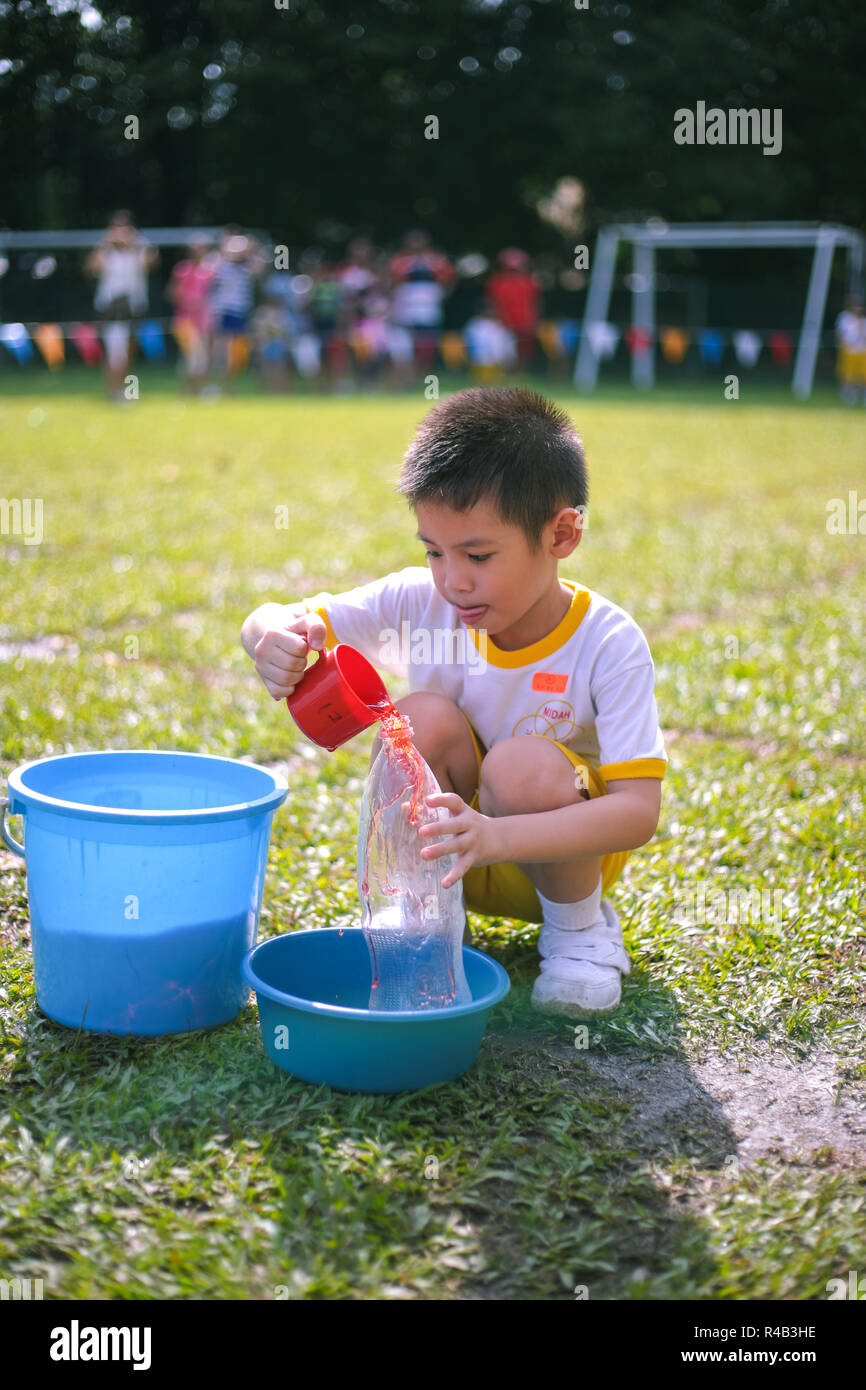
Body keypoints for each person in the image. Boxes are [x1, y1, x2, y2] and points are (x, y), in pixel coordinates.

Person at [241, 388, 666, 1018]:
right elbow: (283, 614)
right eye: (433, 551)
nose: (452, 579)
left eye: (478, 555)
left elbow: (637, 813)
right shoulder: (424, 602)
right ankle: (421, 922)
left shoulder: (607, 640)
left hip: (558, 857)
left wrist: (497, 836)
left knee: (521, 763)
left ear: (561, 533)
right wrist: (269, 638)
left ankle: (580, 934)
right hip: (448, 857)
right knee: (422, 718)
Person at [85, 211, 158, 400]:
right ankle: (113, 392)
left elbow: (150, 263)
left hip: (134, 307)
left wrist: (134, 244)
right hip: (111, 308)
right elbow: (92, 268)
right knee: (115, 353)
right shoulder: (105, 250)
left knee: (129, 353)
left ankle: (126, 392)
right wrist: (105, 243)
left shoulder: (140, 247)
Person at [388, 229, 454, 377]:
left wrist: (439, 296)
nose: (416, 243)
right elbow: (392, 283)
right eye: (413, 240)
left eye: (419, 240)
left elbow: (448, 281)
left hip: (428, 308)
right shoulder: (400, 260)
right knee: (405, 343)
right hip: (406, 307)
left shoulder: (436, 260)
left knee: (427, 343)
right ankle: (406, 375)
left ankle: (424, 375)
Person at [206, 228, 265, 391]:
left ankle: (227, 386)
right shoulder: (218, 261)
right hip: (223, 310)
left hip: (240, 311)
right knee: (220, 350)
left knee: (237, 351)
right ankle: (213, 384)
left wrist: (252, 250)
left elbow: (260, 269)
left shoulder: (248, 265)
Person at [167, 234, 215, 393]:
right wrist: (187, 302)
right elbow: (172, 293)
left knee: (199, 358)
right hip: (185, 321)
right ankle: (192, 389)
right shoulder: (182, 269)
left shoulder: (209, 271)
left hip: (204, 321)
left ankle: (193, 389)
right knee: (193, 357)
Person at [485, 248, 542, 370]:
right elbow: (494, 303)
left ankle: (520, 375)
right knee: (503, 351)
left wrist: (533, 320)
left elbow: (534, 303)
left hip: (524, 322)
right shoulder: (497, 282)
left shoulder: (529, 282)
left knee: (524, 350)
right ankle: (503, 374)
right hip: (503, 323)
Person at [834, 296, 866, 405]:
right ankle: (848, 396)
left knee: (863, 374)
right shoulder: (845, 317)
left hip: (862, 350)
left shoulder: (863, 320)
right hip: (849, 350)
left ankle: (862, 395)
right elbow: (840, 333)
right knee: (848, 374)